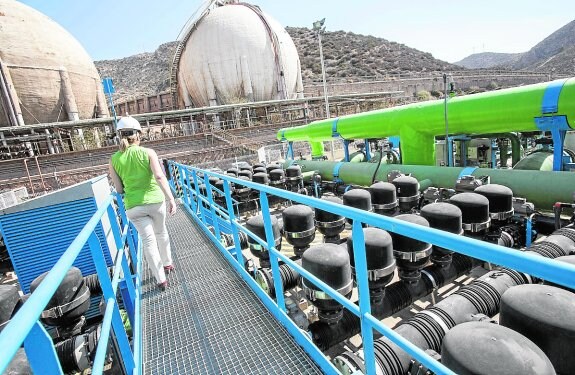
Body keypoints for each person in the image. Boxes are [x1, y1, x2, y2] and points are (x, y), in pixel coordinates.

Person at [109, 116, 176, 291]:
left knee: (148, 241)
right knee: (161, 232)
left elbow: (119, 189)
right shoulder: (148, 152)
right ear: (138, 135)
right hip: (155, 201)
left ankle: (160, 279)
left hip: (133, 206)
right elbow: (160, 176)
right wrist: (171, 199)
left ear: (119, 136)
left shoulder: (114, 160)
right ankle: (168, 263)